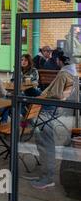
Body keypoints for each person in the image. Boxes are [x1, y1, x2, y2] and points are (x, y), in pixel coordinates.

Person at [30, 52, 76, 189]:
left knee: (45, 144)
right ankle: (44, 174)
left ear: (58, 60)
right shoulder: (72, 72)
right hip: (55, 110)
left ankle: (47, 177)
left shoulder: (63, 74)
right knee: (45, 143)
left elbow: (55, 95)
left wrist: (39, 96)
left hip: (47, 110)